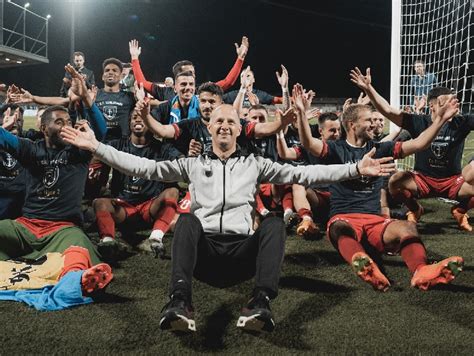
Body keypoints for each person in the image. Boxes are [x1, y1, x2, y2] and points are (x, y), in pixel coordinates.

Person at [61, 101, 394, 333]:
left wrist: (355, 167)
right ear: (209, 127)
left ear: (239, 130)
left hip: (240, 256)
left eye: (230, 121)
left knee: (275, 223)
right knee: (188, 219)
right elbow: (142, 166)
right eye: (218, 120)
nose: (223, 125)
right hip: (202, 256)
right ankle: (179, 302)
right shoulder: (191, 164)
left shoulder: (255, 164)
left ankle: (260, 302)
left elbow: (307, 175)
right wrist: (97, 147)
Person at [296, 82, 463, 292]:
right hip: (345, 217)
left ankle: (421, 271)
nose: (375, 125)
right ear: (351, 125)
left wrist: (440, 121)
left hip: (375, 220)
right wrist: (302, 115)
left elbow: (419, 144)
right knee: (340, 229)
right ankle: (363, 261)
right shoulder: (335, 149)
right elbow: (309, 144)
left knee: (407, 228)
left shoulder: (381, 148)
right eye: (368, 120)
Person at [0, 74, 112, 298]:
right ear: (43, 128)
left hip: (63, 228)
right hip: (26, 226)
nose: (65, 126)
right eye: (59, 122)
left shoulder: (79, 152)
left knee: (79, 245)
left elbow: (102, 132)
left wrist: (87, 101)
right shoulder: (30, 149)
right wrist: (6, 104)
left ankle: (76, 281)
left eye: (68, 122)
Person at [351, 67, 474, 231]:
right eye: (447, 102)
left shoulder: (462, 122)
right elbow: (387, 110)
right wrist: (369, 89)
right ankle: (415, 209)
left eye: (454, 101)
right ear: (433, 106)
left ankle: (460, 210)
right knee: (395, 181)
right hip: (422, 179)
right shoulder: (418, 122)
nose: (453, 105)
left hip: (452, 181)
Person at [93, 106, 182, 259]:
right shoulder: (117, 145)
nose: (138, 119)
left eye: (142, 116)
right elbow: (97, 157)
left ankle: (155, 238)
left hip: (150, 207)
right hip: (124, 208)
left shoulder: (163, 148)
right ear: (129, 123)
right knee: (99, 202)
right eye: (134, 117)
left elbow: (181, 162)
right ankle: (108, 241)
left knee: (173, 192)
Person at [129, 37, 248, 102]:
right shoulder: (165, 92)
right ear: (176, 78)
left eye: (193, 73)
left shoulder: (201, 91)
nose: (192, 76)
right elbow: (142, 83)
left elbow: (228, 82)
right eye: (188, 72)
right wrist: (134, 58)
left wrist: (240, 59)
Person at [0, 104, 26, 219]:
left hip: (24, 206)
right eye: (10, 119)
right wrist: (4, 129)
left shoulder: (31, 141)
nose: (14, 122)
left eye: (18, 119)